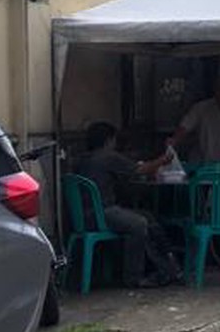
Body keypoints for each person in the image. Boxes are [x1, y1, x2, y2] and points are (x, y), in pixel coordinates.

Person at [74, 122, 181, 288]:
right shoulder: (108, 156)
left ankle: (166, 266)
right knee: (139, 224)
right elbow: (139, 170)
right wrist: (163, 160)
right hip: (102, 213)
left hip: (83, 216)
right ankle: (134, 277)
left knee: (147, 216)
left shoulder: (83, 159)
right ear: (109, 140)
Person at [172, 74, 220, 165]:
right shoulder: (200, 108)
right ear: (215, 90)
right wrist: (173, 141)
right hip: (201, 163)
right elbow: (184, 127)